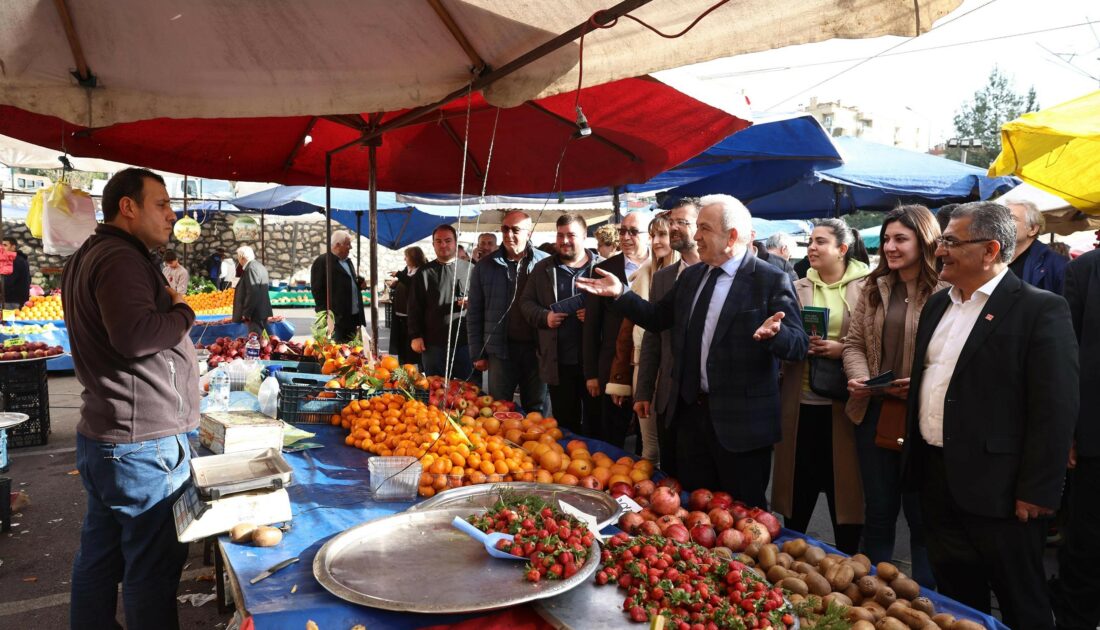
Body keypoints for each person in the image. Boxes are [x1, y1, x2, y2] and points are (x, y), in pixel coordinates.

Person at [900, 201, 1078, 629]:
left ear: (990, 250)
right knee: (959, 604)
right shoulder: (938, 306)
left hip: (1003, 492)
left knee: (1022, 602)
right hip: (937, 478)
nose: (939, 250)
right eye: (942, 240)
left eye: (950, 242)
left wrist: (1037, 490)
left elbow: (1055, 408)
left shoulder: (1040, 310)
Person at [577, 194, 808, 508]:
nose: (696, 236)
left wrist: (774, 336)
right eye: (696, 227)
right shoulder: (693, 277)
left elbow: (798, 345)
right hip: (690, 421)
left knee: (742, 518)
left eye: (705, 228)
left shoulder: (769, 280)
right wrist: (621, 294)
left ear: (732, 236)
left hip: (741, 430)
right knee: (692, 512)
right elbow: (658, 318)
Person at [61, 167, 199, 630]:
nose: (171, 214)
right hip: (141, 446)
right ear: (128, 207)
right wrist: (182, 311)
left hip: (110, 437)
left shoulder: (90, 255)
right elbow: (135, 336)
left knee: (99, 558)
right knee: (152, 569)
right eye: (161, 204)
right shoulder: (119, 259)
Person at [843, 205, 945, 587]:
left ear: (925, 240)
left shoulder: (947, 291)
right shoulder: (872, 286)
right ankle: (871, 600)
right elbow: (853, 344)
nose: (889, 246)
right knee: (879, 512)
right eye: (886, 239)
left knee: (922, 519)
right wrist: (861, 378)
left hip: (923, 417)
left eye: (900, 238)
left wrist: (917, 382)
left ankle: (928, 607)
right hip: (873, 411)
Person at [771, 219, 869, 555]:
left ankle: (850, 563)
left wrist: (843, 349)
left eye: (821, 242)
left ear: (842, 249)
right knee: (797, 490)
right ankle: (787, 561)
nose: (811, 247)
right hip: (800, 403)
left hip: (846, 405)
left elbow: (878, 342)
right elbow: (784, 340)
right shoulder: (795, 286)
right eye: (810, 241)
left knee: (846, 493)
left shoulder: (868, 288)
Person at [1051, 246, 1100, 630]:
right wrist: (1068, 431)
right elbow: (1067, 360)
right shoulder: (1084, 271)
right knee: (1086, 544)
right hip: (1094, 437)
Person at [634, 200, 701, 476]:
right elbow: (653, 336)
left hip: (705, 405)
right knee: (671, 476)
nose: (673, 228)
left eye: (682, 222)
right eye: (671, 221)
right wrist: (644, 390)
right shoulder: (663, 278)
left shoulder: (718, 276)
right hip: (667, 399)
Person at [606, 212, 679, 462]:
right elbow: (626, 334)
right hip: (642, 367)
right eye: (653, 235)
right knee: (649, 445)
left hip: (671, 371)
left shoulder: (685, 277)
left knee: (668, 445)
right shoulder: (645, 276)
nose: (657, 241)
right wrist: (620, 378)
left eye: (663, 234)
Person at [519, 213, 600, 435]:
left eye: (571, 235)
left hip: (594, 364)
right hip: (558, 362)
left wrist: (595, 315)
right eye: (560, 235)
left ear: (584, 236)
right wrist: (544, 317)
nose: (564, 241)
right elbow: (525, 303)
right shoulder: (543, 268)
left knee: (597, 424)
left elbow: (618, 311)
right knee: (565, 425)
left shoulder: (602, 268)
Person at [468, 212, 550, 413]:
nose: (509, 234)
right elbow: (474, 312)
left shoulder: (546, 263)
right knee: (499, 410)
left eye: (515, 229)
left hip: (537, 350)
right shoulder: (484, 267)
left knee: (536, 411)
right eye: (505, 229)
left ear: (529, 233)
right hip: (500, 351)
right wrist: (477, 353)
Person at [584, 211, 652, 447]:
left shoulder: (662, 267)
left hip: (649, 367)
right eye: (622, 231)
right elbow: (592, 326)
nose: (625, 237)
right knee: (612, 436)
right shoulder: (604, 269)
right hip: (612, 367)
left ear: (650, 235)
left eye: (633, 231)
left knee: (648, 441)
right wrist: (591, 373)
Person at [408, 225, 475, 380]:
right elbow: (414, 308)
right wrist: (415, 336)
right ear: (433, 245)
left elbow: (484, 303)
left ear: (455, 242)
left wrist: (473, 303)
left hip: (465, 344)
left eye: (447, 240)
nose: (443, 245)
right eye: (438, 241)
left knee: (466, 392)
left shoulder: (471, 269)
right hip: (433, 344)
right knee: (434, 391)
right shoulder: (424, 273)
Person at [310, 230, 367, 343]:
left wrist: (358, 285)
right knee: (337, 353)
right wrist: (325, 316)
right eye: (348, 244)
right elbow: (317, 291)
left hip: (353, 318)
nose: (350, 247)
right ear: (337, 245)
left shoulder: (348, 262)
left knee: (353, 353)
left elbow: (345, 285)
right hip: (336, 319)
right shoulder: (322, 262)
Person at [1006, 200, 1068, 294]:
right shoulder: (992, 260)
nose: (1002, 223)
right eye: (1001, 218)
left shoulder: (1057, 264)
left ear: (1032, 229)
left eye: (1012, 218)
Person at [388, 246, 426, 367]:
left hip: (411, 315)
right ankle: (403, 367)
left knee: (413, 347)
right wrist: (396, 284)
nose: (405, 259)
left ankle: (418, 370)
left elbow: (412, 283)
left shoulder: (421, 271)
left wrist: (399, 275)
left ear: (414, 258)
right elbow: (405, 281)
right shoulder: (407, 269)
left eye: (407, 256)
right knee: (402, 345)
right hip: (400, 314)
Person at [231, 245, 273, 336]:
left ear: (242, 257)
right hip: (260, 310)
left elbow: (253, 292)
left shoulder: (251, 268)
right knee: (264, 340)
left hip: (255, 313)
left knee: (255, 341)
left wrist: (246, 313)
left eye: (238, 256)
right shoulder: (259, 266)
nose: (238, 260)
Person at [2, 236, 31, 309]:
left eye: (5, 245)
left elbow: (8, 281)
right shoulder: (20, 259)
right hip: (16, 300)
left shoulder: (16, 261)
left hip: (12, 301)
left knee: (8, 320)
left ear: (13, 247)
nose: (2, 248)